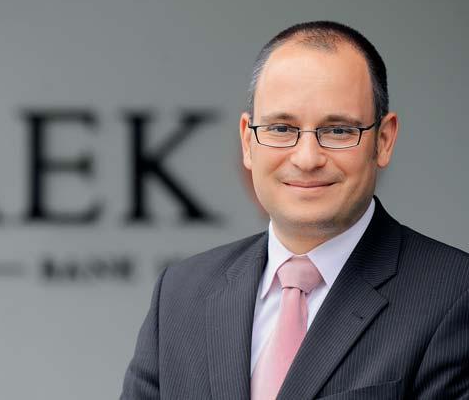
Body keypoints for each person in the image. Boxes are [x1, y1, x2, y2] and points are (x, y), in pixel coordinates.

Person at [120, 21, 469, 399]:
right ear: (247, 142)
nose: (306, 158)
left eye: (338, 130)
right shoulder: (181, 294)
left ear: (383, 140)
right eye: (282, 128)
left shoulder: (454, 294)